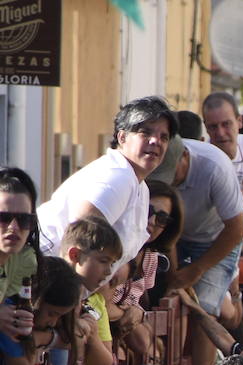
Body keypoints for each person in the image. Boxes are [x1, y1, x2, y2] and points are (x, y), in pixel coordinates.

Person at [38, 97, 177, 272]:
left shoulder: (138, 185)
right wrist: (70, 295)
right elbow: (80, 240)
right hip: (44, 276)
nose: (155, 141)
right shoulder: (117, 177)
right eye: (145, 133)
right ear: (122, 137)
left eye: (163, 137)